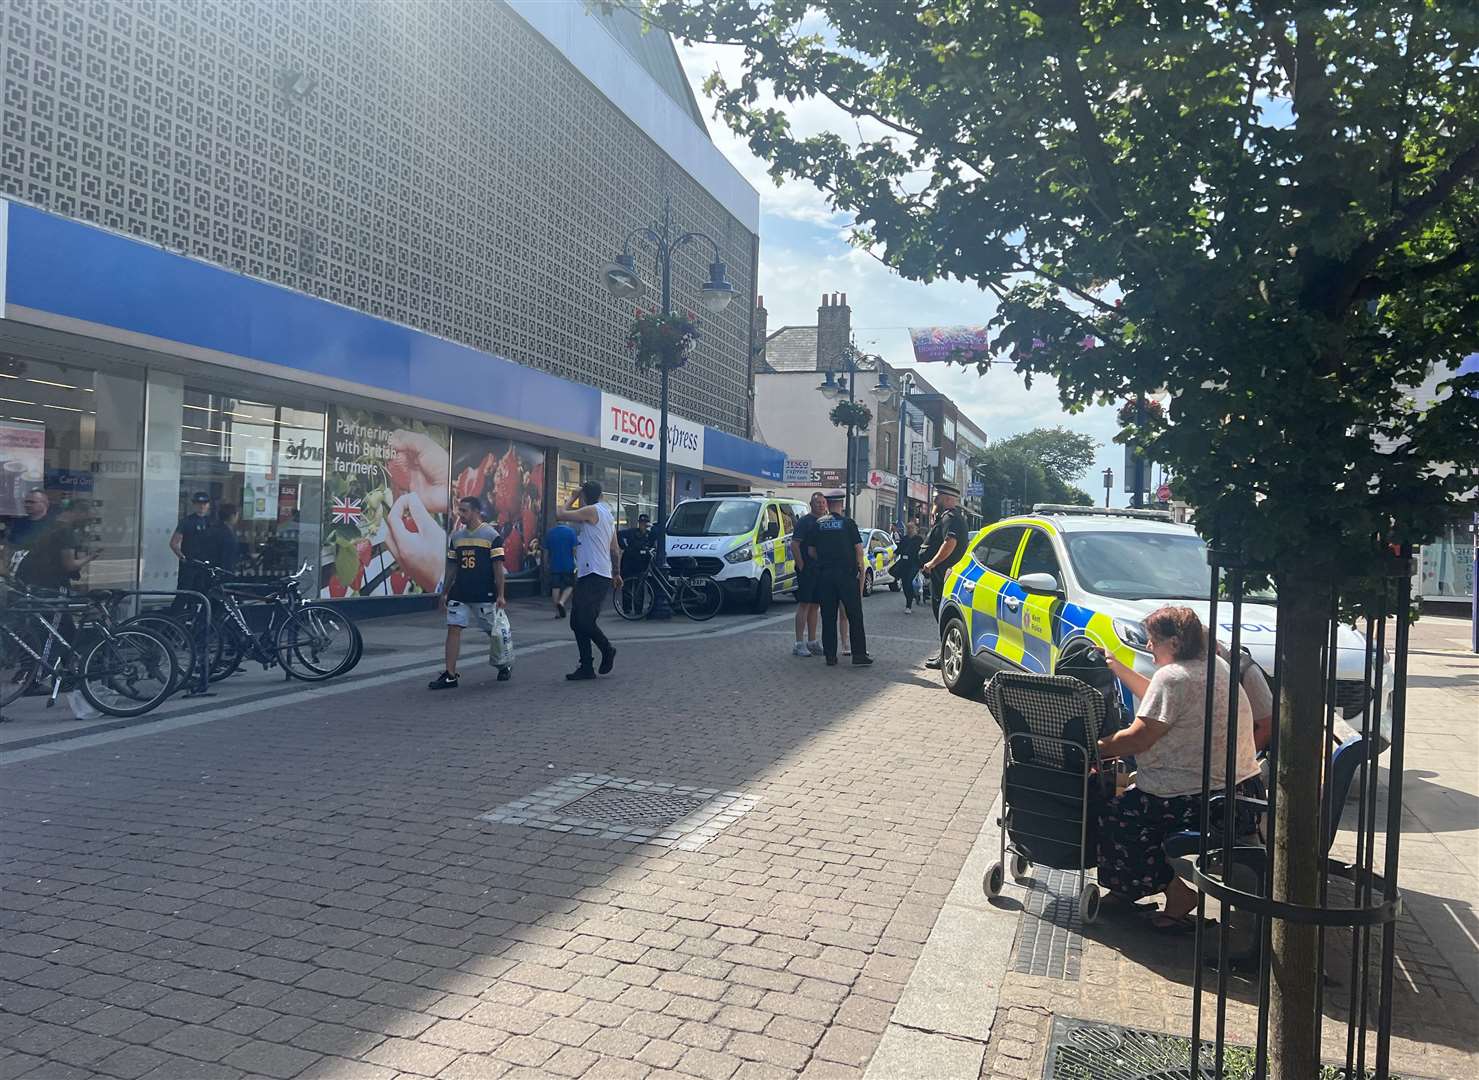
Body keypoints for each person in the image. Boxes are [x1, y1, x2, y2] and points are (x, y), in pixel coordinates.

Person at [1094, 606, 1262, 931]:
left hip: (1193, 797)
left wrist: (1093, 748)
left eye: (1153, 640)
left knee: (1116, 813)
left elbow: (1139, 738)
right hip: (1233, 791)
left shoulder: (1173, 678)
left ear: (1174, 642)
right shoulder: (1215, 668)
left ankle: (1176, 895)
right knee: (1132, 797)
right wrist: (1118, 667)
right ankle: (1127, 891)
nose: (1148, 647)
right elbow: (1161, 702)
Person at [428, 496, 509, 690]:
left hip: (484, 593)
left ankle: (504, 663)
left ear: (475, 511)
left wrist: (500, 594)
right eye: (459, 510)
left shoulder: (492, 535)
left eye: (464, 511)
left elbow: (498, 568)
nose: (460, 514)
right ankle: (450, 674)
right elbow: (452, 567)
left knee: (494, 633)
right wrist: (444, 592)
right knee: (453, 628)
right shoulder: (456, 537)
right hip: (460, 593)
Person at [554, 480, 622, 681]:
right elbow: (615, 548)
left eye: (582, 496)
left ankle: (607, 649)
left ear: (585, 496)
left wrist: (573, 496)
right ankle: (586, 666)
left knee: (583, 620)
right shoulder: (608, 515)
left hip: (594, 573)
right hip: (593, 573)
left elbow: (560, 514)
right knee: (577, 621)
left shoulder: (592, 510)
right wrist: (617, 572)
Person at [812, 489, 871, 667]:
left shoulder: (818, 524)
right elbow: (859, 551)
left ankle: (830, 656)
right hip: (846, 575)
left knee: (828, 616)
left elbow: (811, 551)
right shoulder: (848, 523)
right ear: (842, 504)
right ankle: (859, 655)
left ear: (828, 504)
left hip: (825, 576)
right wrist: (859, 572)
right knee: (854, 615)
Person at [920, 483, 970, 668]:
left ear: (948, 499)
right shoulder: (947, 517)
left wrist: (932, 563)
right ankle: (946, 654)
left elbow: (950, 542)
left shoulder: (951, 517)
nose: (935, 500)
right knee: (942, 617)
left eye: (937, 497)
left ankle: (947, 656)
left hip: (945, 576)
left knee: (945, 618)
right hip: (942, 575)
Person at [13, 498, 95, 590]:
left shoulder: (50, 523)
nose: (88, 524)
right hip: (48, 582)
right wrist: (91, 557)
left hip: (30, 577)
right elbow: (70, 565)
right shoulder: (66, 531)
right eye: (88, 519)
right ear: (79, 512)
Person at [790, 491, 826, 657]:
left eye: (823, 502)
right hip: (807, 569)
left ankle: (812, 641)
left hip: (819, 570)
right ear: (811, 504)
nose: (821, 505)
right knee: (804, 604)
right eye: (818, 502)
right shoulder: (804, 522)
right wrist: (801, 565)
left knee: (815, 605)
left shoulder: (825, 522)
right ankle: (799, 643)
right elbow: (795, 544)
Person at [544, 519, 579, 618]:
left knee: (555, 587)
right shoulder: (571, 532)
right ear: (566, 522)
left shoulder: (550, 533)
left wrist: (546, 564)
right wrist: (575, 561)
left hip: (554, 564)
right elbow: (574, 549)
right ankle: (562, 601)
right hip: (568, 564)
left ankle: (557, 612)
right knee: (570, 585)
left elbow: (546, 552)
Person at [893, 520, 924, 613]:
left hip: (914, 564)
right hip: (904, 564)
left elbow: (922, 552)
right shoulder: (904, 539)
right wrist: (890, 558)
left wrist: (923, 564)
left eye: (911, 528)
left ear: (916, 529)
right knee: (905, 584)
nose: (909, 530)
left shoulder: (919, 539)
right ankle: (911, 597)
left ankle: (908, 605)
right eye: (908, 528)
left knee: (909, 581)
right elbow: (898, 550)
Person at [618, 513, 655, 578]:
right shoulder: (632, 532)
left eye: (645, 523)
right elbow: (619, 534)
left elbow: (653, 546)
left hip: (642, 565)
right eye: (641, 523)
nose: (643, 525)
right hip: (630, 563)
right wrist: (624, 547)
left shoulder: (650, 535)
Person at [213, 503, 241, 575]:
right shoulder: (226, 533)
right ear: (232, 516)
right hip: (224, 570)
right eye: (237, 515)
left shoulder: (216, 529)